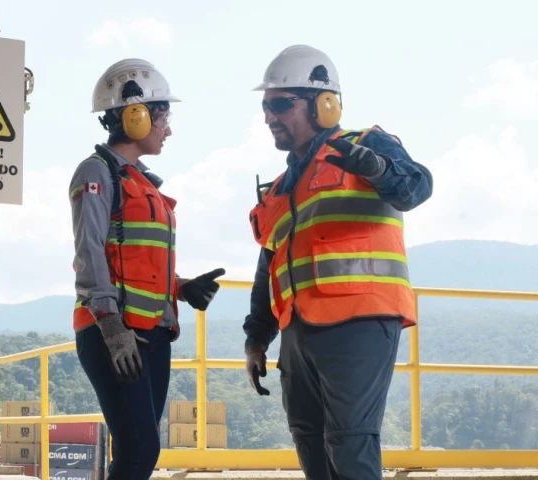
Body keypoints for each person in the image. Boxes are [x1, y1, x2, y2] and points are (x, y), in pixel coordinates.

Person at [242, 44, 433, 479]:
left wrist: (377, 168)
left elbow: (417, 188)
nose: (269, 116)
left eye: (280, 104)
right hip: (298, 327)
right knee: (309, 440)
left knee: (349, 443)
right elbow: (268, 267)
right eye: (265, 106)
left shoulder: (366, 145)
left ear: (323, 104)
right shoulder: (281, 186)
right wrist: (257, 339)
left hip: (359, 318)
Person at [69, 58, 226, 479]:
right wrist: (111, 327)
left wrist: (181, 286)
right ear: (135, 115)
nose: (168, 128)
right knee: (141, 450)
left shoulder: (141, 183)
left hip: (152, 335)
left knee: (139, 452)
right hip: (116, 333)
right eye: (162, 117)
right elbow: (90, 255)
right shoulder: (97, 174)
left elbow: (134, 261)